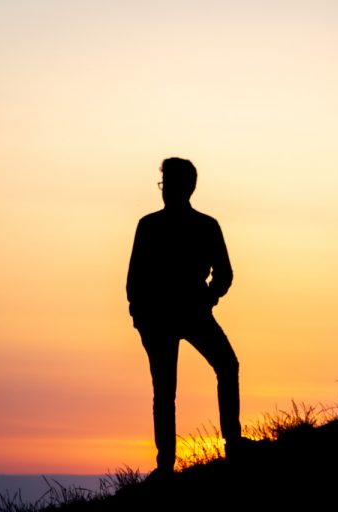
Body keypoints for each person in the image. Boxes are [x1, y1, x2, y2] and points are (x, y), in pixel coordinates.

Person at [126, 157, 243, 476]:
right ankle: (166, 464)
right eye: (164, 185)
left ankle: (231, 445)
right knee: (165, 389)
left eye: (171, 185)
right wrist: (140, 316)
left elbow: (225, 273)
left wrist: (209, 297)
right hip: (161, 317)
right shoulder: (149, 225)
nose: (166, 192)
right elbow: (134, 279)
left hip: (191, 311)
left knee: (224, 366)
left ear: (188, 187)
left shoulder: (205, 226)